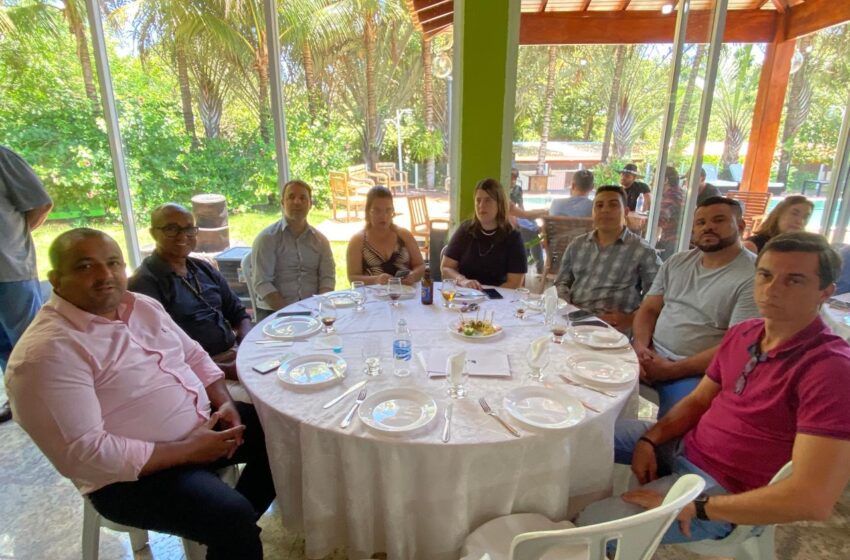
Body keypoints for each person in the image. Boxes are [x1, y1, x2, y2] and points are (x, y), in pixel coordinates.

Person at [5, 229, 276, 559]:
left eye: (113, 263)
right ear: (55, 279)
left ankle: (235, 533)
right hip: (130, 477)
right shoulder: (47, 354)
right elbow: (85, 455)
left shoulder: (143, 306)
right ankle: (236, 529)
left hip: (202, 426)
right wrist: (188, 451)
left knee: (285, 434)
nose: (105, 275)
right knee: (230, 517)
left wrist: (225, 402)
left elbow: (194, 356)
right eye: (85, 266)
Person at [578, 232, 850, 547]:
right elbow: (698, 401)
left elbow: (811, 499)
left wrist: (698, 507)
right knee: (579, 432)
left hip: (725, 489)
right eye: (765, 275)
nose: (772, 289)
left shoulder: (830, 369)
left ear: (825, 292)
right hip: (687, 447)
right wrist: (650, 440)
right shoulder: (744, 333)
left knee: (588, 529)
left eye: (794, 280)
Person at [633, 196, 759, 417]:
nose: (708, 227)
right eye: (700, 223)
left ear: (740, 226)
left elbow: (737, 346)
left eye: (718, 220)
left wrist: (672, 370)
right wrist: (640, 347)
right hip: (649, 355)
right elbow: (649, 310)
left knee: (673, 433)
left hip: (696, 373)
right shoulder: (677, 262)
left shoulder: (755, 276)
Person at [128, 203, 252, 379]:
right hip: (195, 374)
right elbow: (159, 354)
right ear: (153, 233)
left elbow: (239, 314)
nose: (182, 236)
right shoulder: (144, 285)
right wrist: (224, 369)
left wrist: (247, 347)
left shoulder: (204, 269)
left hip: (234, 354)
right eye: (172, 229)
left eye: (188, 228)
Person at [555, 186, 661, 333]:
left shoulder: (642, 251)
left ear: (626, 212)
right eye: (599, 205)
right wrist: (567, 307)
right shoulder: (577, 245)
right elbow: (561, 282)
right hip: (573, 320)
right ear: (593, 212)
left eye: (613, 204)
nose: (605, 210)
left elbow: (657, 295)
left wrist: (631, 319)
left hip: (612, 328)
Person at [0, 145, 53, 423]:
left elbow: (41, 203)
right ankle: (19, 399)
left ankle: (49, 399)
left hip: (10, 270)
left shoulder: (3, 157)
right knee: (3, 345)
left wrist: (13, 238)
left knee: (29, 343)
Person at [250, 179, 335, 321]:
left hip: (313, 310)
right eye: (291, 197)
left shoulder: (321, 241)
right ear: (282, 203)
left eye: (303, 198)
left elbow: (328, 278)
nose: (297, 202)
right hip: (275, 313)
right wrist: (291, 313)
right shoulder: (267, 239)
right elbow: (262, 283)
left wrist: (319, 306)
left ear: (310, 204)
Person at [441, 178, 527, 289]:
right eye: (478, 200)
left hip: (499, 299)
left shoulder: (513, 238)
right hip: (466, 296)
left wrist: (486, 296)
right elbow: (446, 267)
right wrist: (462, 281)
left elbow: (514, 283)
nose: (481, 205)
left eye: (488, 200)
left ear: (499, 204)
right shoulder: (465, 230)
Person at [346, 186, 425, 286]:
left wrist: (413, 275)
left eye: (388, 210)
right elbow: (352, 277)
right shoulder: (358, 240)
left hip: (405, 295)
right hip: (372, 298)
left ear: (393, 211)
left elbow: (420, 265)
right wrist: (376, 280)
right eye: (377, 210)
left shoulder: (404, 235)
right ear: (368, 212)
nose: (383, 216)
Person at [744, 195, 813, 254]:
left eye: (806, 217)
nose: (800, 221)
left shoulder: (806, 249)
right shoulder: (753, 246)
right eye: (794, 213)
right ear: (778, 214)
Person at [508, 167, 547, 274]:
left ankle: (535, 262)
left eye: (515, 177)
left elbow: (521, 209)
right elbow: (521, 213)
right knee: (532, 233)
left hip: (517, 218)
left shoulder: (517, 189)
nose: (513, 179)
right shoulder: (502, 193)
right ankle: (539, 266)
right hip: (511, 222)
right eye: (511, 176)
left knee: (532, 229)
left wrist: (530, 220)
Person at [655, 166, 685, 260]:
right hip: (680, 241)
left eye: (654, 177)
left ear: (665, 180)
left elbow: (659, 219)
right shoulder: (681, 192)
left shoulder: (671, 195)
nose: (652, 181)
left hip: (672, 243)